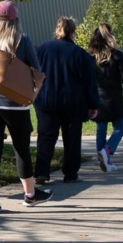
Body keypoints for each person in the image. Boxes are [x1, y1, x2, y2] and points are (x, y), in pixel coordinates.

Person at [0, 1, 51, 211]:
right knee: (21, 149)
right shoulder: (21, 38)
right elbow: (35, 69)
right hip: (14, 101)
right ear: (15, 19)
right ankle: (30, 194)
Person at [33, 17, 99, 184]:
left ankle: (41, 171)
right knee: (72, 139)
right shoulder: (80, 54)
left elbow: (33, 72)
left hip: (46, 99)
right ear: (73, 32)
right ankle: (70, 173)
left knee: (46, 137)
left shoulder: (42, 50)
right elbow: (89, 82)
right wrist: (93, 104)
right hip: (72, 101)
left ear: (58, 30)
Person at [88, 24, 123, 172]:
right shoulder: (116, 55)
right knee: (120, 127)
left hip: (97, 97)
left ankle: (103, 158)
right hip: (114, 97)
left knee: (101, 129)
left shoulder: (91, 57)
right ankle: (107, 151)